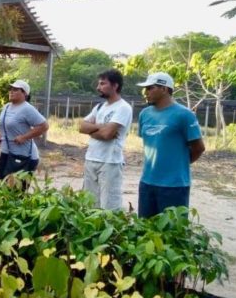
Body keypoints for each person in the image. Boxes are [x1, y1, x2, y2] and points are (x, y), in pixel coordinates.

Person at [136, 72, 205, 218]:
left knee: (172, 229)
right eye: (146, 88)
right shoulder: (144, 114)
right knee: (144, 227)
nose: (146, 92)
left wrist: (177, 165)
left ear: (164, 89)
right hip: (147, 182)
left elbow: (199, 148)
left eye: (150, 88)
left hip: (174, 186)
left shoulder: (184, 115)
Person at [79, 69, 133, 210]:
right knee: (90, 205)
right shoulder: (100, 107)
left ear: (115, 86)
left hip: (110, 162)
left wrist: (92, 130)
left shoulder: (123, 108)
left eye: (103, 84)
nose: (98, 87)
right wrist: (100, 127)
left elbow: (107, 134)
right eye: (99, 84)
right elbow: (81, 127)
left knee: (109, 207)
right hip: (91, 159)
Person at [0, 80, 48, 181]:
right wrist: (0, 133)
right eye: (11, 89)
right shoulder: (6, 107)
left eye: (16, 90)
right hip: (6, 153)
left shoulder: (27, 109)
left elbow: (44, 126)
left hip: (23, 156)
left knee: (16, 189)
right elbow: (4, 124)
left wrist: (24, 137)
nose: (11, 91)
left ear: (25, 93)